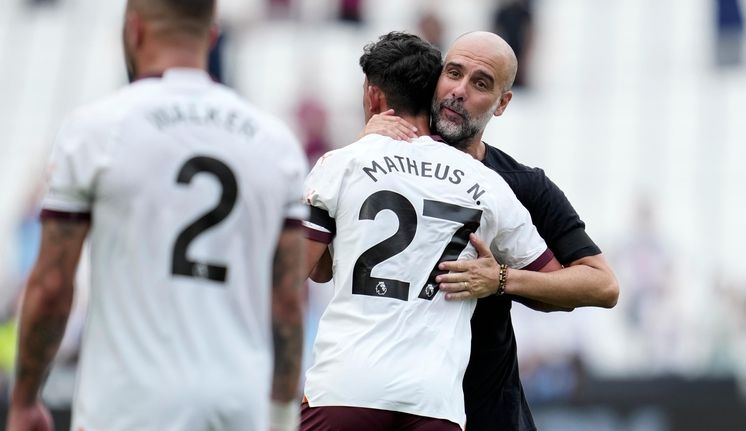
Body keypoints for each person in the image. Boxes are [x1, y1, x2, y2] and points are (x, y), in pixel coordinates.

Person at [6, 1, 306, 430]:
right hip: (236, 405)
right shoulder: (275, 143)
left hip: (128, 405)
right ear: (213, 36)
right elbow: (288, 302)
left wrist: (25, 399)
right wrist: (279, 413)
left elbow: (52, 285)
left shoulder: (95, 130)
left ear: (134, 31)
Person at [300, 31, 560, 431]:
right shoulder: (487, 182)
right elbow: (554, 286)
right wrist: (501, 279)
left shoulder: (344, 162)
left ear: (373, 96)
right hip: (433, 399)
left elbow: (307, 268)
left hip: (345, 388)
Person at [364, 31, 619, 430]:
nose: (459, 91)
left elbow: (603, 285)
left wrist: (500, 279)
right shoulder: (378, 162)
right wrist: (362, 148)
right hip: (388, 400)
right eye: (453, 73)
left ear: (502, 104)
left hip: (484, 410)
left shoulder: (521, 184)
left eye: (480, 83)